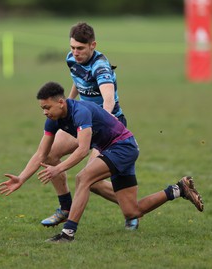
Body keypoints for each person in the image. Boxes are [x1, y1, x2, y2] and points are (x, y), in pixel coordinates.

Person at [0, 81, 204, 243]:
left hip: (123, 147)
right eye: (42, 108)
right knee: (133, 211)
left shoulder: (80, 112)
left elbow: (81, 150)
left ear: (60, 102)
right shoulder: (53, 120)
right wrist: (21, 179)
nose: (44, 112)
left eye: (47, 107)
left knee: (84, 178)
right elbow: (41, 153)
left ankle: (68, 233)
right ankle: (178, 189)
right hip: (115, 149)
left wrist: (58, 168)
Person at [40, 22, 126, 227]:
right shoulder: (71, 59)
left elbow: (108, 99)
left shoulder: (101, 67)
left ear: (93, 45)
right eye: (72, 47)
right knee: (50, 154)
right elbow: (78, 80)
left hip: (108, 127)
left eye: (80, 48)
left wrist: (104, 122)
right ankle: (65, 207)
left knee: (91, 180)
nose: (75, 52)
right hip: (81, 121)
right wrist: (66, 107)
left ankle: (132, 209)